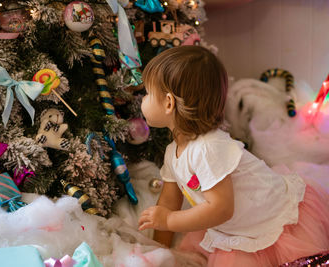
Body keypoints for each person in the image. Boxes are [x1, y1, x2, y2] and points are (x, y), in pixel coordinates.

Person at [138, 45, 329, 266]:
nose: (143, 100)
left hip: (267, 218)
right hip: (234, 221)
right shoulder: (174, 151)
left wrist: (170, 220)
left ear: (169, 103)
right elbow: (170, 200)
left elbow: (221, 208)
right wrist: (159, 250)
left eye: (148, 94)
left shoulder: (208, 148)